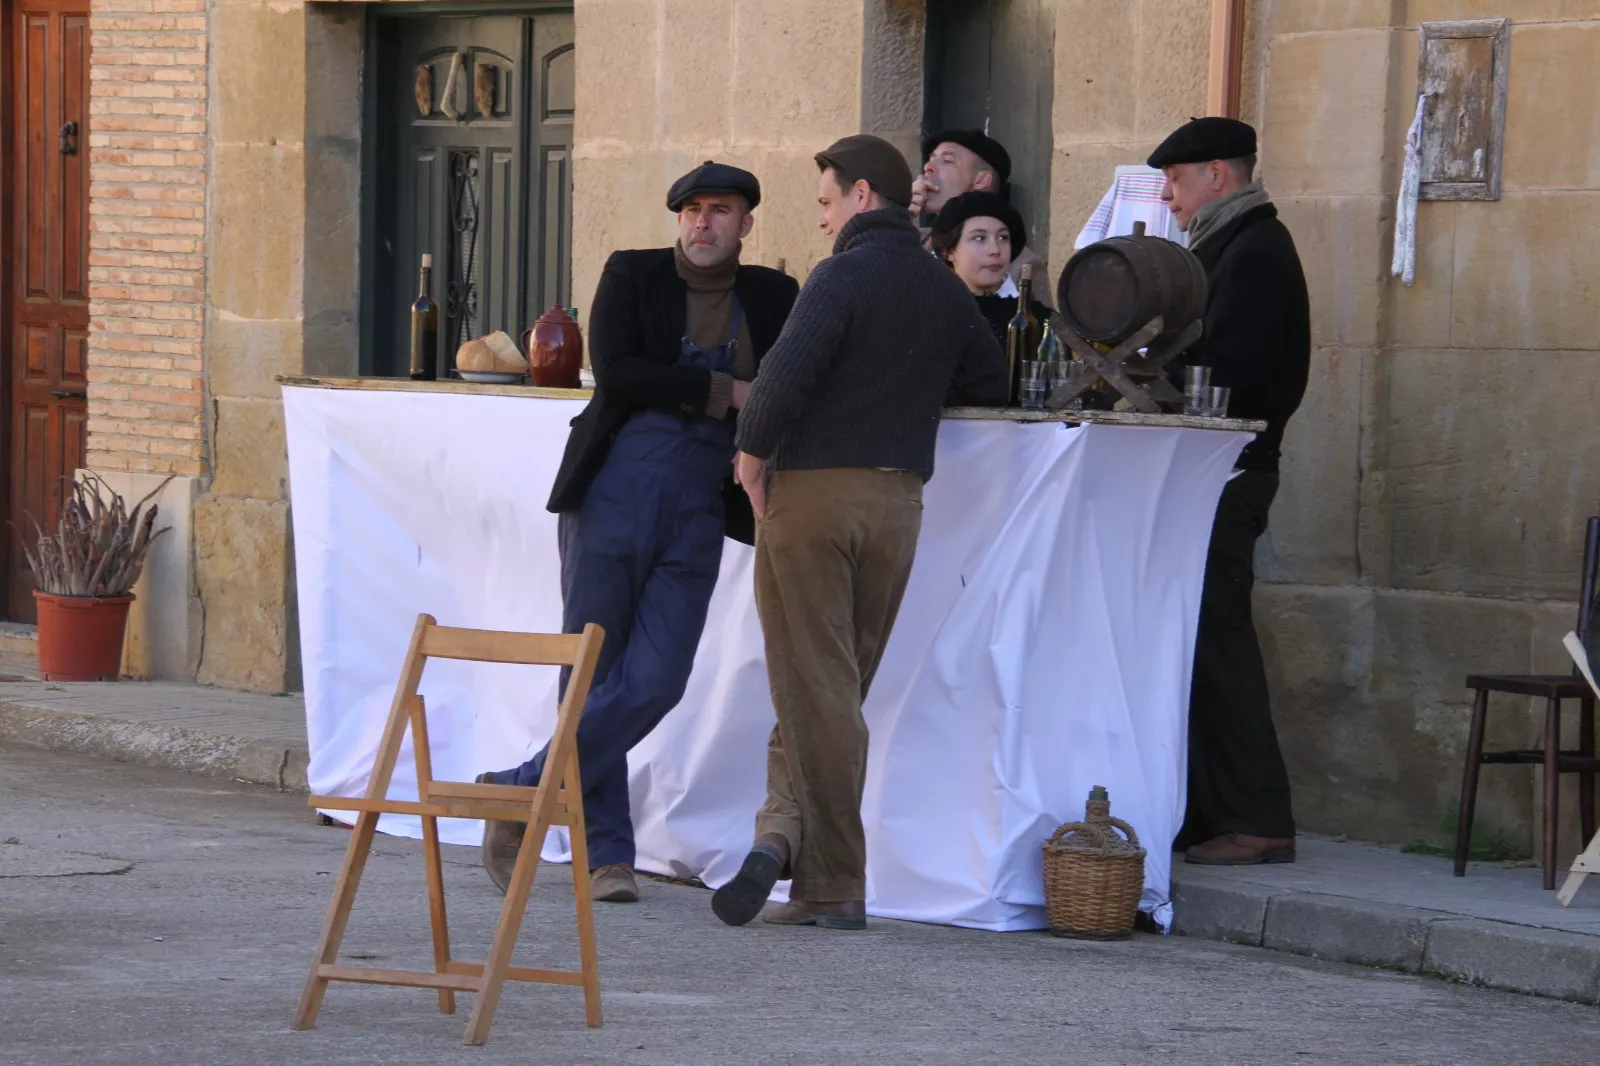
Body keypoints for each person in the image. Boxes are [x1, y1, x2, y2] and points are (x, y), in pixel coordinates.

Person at [476, 162, 798, 903]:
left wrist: (742, 401)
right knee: (592, 668)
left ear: (746, 223)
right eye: (691, 210)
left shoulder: (775, 296)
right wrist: (730, 392)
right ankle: (607, 857)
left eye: (720, 211)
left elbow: (789, 383)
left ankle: (517, 789)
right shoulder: (633, 274)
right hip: (618, 484)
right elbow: (618, 372)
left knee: (656, 681)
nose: (703, 223)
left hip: (699, 502)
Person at [710, 135, 1008, 931]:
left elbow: (783, 375)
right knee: (832, 691)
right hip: (897, 506)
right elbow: (991, 379)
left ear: (863, 195)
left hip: (810, 498)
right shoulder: (944, 291)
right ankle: (779, 834)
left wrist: (749, 452)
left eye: (826, 201)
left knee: (816, 689)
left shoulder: (841, 275)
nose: (822, 220)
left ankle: (835, 882)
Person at [1148, 117, 1311, 866]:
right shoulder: (1231, 243)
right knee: (1198, 641)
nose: (1168, 195)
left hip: (1232, 472)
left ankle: (1257, 817)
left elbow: (1234, 377)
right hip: (1211, 474)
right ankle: (1211, 811)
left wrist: (1156, 377)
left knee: (1220, 642)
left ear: (1217, 174)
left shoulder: (1254, 249)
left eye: (1177, 180)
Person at [911, 129, 1051, 306]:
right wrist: (898, 218)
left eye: (947, 161)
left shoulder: (1023, 266)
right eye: (930, 159)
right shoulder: (912, 240)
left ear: (981, 181)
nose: (927, 167)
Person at [928, 191, 1051, 346]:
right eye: (979, 238)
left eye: (1003, 238)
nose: (995, 250)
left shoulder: (1038, 319)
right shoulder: (928, 314)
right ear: (949, 251)